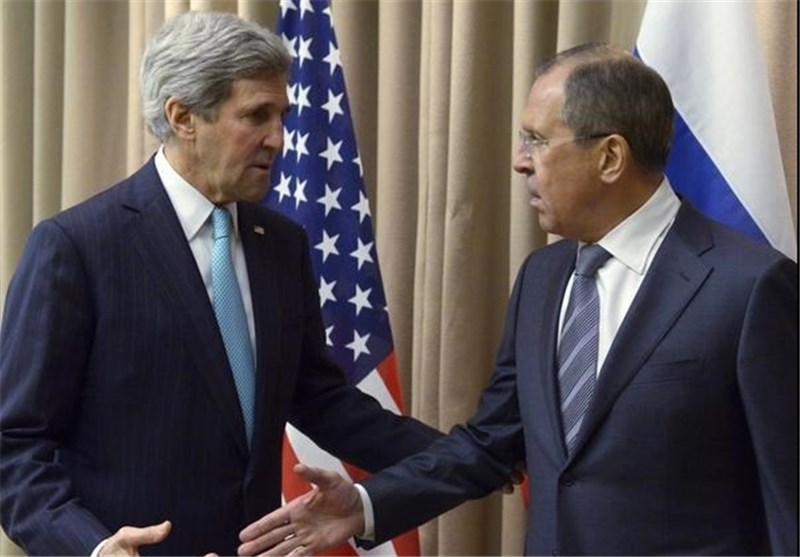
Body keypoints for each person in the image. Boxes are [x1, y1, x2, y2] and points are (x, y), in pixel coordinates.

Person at [237, 43, 799, 556]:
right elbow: (492, 443)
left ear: (610, 157)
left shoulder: (750, 288)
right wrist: (365, 505)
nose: (519, 160)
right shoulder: (542, 278)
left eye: (537, 140)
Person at [0, 11, 444, 556]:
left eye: (281, 115)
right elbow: (15, 446)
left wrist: (466, 459)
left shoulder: (281, 244)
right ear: (183, 117)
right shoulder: (77, 247)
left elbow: (320, 400)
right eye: (257, 116)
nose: (278, 139)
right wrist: (91, 548)